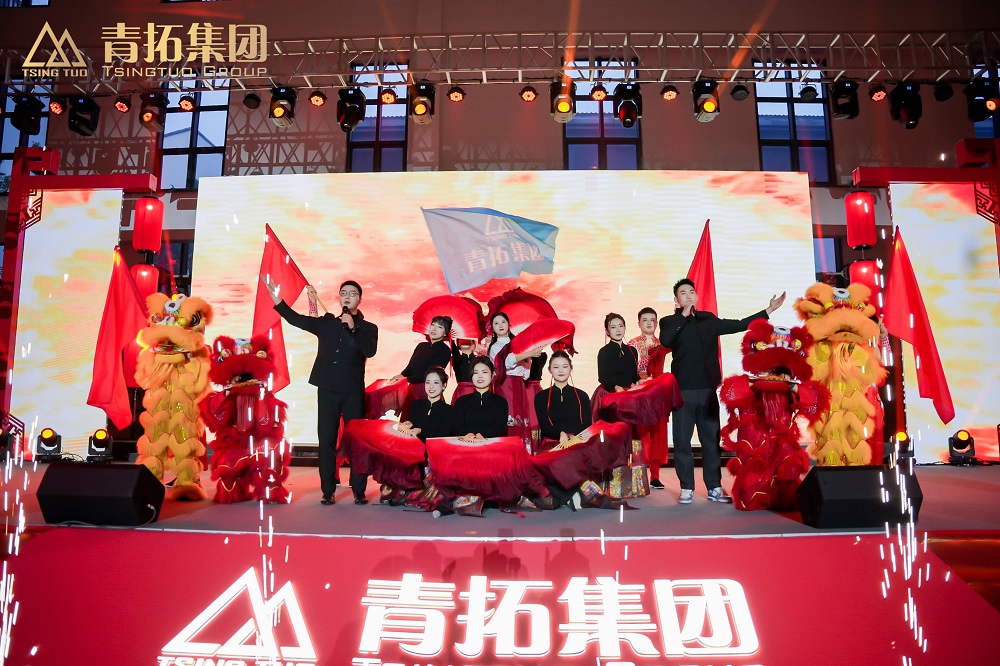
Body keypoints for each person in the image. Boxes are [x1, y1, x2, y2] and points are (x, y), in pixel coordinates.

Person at [659, 278, 785, 505]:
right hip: (683, 391)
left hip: (708, 390)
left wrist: (768, 310)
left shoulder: (708, 319)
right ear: (676, 300)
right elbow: (666, 340)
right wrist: (683, 316)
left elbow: (739, 324)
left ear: (697, 296)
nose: (688, 295)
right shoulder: (669, 322)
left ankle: (714, 487)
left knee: (710, 441)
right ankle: (686, 487)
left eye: (691, 291)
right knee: (682, 441)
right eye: (683, 293)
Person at [263, 277, 378, 506]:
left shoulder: (368, 328)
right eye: (344, 293)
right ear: (339, 298)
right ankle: (328, 490)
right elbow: (296, 319)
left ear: (360, 299)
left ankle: (359, 490)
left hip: (352, 391)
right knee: (326, 440)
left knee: (357, 442)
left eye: (352, 293)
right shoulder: (327, 323)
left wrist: (353, 328)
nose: (347, 296)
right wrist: (276, 299)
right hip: (327, 389)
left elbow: (369, 351)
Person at [486, 312, 543, 450]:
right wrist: (528, 354)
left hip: (519, 385)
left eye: (503, 322)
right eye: (496, 323)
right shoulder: (494, 347)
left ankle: (522, 452)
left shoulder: (518, 344)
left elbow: (526, 371)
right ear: (492, 328)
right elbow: (505, 363)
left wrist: (528, 357)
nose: (500, 325)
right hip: (504, 385)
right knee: (509, 418)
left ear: (508, 324)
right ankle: (508, 452)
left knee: (522, 418)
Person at [628, 307, 669, 489]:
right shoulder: (633, 344)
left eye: (652, 319)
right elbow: (631, 370)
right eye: (645, 320)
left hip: (658, 391)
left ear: (656, 323)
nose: (649, 323)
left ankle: (655, 476)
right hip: (641, 391)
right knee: (641, 433)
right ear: (639, 323)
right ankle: (640, 474)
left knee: (658, 433)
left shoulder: (663, 343)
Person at [391, 316, 453, 420]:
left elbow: (432, 374)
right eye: (433, 325)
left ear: (445, 333)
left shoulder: (445, 350)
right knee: (408, 422)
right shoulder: (421, 345)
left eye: (439, 327)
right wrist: (401, 375)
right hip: (412, 390)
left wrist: (406, 379)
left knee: (425, 422)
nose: (434, 329)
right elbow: (410, 367)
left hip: (428, 390)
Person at [533, 351, 591, 452]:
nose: (561, 370)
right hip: (551, 445)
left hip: (577, 443)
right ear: (549, 370)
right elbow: (544, 425)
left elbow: (587, 424)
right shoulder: (541, 397)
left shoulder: (582, 396)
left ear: (571, 369)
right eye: (556, 367)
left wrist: (573, 437)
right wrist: (560, 434)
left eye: (565, 366)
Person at [452, 357, 509, 441]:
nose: (480, 376)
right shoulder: (461, 402)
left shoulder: (501, 402)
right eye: (476, 372)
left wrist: (480, 436)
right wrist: (471, 436)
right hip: (466, 444)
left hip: (492, 445)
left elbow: (500, 428)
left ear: (492, 375)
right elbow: (457, 427)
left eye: (484, 372)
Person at [399, 367, 454, 442]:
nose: (431, 386)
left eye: (436, 382)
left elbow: (444, 435)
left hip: (434, 448)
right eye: (428, 382)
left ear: (444, 385)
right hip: (413, 446)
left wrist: (420, 431)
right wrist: (408, 424)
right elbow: (410, 429)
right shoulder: (416, 405)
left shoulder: (449, 410)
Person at [597, 313, 640, 394]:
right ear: (607, 331)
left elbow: (634, 376)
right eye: (613, 327)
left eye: (621, 326)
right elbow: (602, 378)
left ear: (625, 328)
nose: (618, 330)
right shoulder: (604, 352)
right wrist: (615, 387)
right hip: (611, 392)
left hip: (630, 392)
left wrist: (640, 381)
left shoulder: (632, 350)